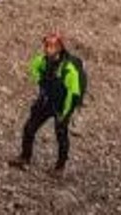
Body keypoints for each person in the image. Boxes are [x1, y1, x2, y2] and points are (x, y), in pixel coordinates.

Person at [9, 32, 84, 172]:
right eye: (47, 46)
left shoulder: (68, 69)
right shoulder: (42, 61)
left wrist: (66, 114)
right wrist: (38, 80)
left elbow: (73, 94)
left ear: (60, 48)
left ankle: (60, 167)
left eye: (52, 46)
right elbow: (33, 68)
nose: (48, 49)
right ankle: (25, 157)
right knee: (29, 127)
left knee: (61, 134)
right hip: (46, 101)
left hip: (62, 105)